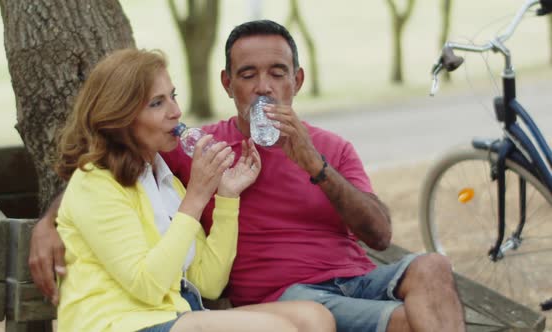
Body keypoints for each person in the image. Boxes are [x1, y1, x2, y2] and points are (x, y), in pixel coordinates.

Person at [30, 21, 466, 332]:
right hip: (281, 297)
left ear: (296, 80)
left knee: (433, 266)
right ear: (227, 84)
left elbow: (380, 236)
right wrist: (49, 222)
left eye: (277, 73)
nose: (263, 87)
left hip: (353, 280)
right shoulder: (199, 153)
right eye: (248, 75)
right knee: (407, 322)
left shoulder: (329, 149)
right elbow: (102, 177)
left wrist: (312, 166)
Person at [48, 48, 335, 332]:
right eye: (157, 104)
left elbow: (208, 282)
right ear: (120, 116)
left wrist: (226, 196)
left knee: (314, 318)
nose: (176, 112)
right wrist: (196, 196)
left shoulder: (163, 180)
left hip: (179, 315)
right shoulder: (95, 183)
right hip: (121, 324)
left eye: (172, 97)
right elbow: (147, 286)